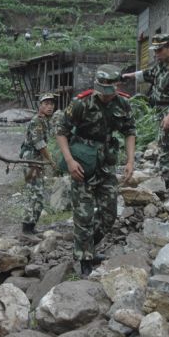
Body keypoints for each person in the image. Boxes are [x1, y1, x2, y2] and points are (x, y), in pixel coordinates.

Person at [57, 65, 136, 276]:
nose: (107, 97)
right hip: (83, 162)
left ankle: (86, 248)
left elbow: (129, 131)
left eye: (110, 92)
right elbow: (61, 132)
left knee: (109, 215)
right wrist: (70, 161)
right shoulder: (81, 103)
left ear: (116, 86)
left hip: (106, 164)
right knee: (83, 215)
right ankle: (84, 259)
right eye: (103, 92)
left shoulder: (123, 103)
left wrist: (130, 161)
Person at [122, 33, 169, 189]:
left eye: (159, 50)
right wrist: (128, 76)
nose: (156, 54)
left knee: (166, 146)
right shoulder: (161, 65)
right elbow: (149, 74)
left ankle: (166, 184)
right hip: (160, 110)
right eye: (155, 50)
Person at [20, 93, 57, 234]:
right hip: (31, 161)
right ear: (40, 106)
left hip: (37, 161)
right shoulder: (37, 121)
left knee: (39, 195)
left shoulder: (45, 120)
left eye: (51, 104)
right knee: (34, 194)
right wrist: (51, 161)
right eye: (46, 104)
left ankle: (32, 226)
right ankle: (26, 229)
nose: (49, 107)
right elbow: (40, 144)